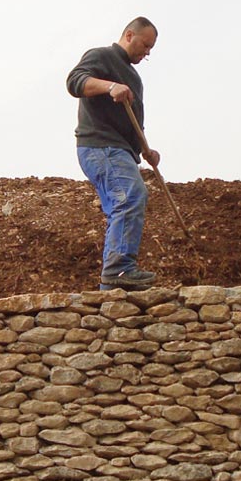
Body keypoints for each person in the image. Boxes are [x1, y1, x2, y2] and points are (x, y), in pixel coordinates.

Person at [66, 17, 162, 290]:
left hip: (120, 150)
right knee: (131, 195)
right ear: (130, 35)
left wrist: (145, 149)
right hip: (101, 146)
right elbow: (75, 81)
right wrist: (109, 86)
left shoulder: (134, 78)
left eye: (151, 48)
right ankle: (119, 270)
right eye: (145, 45)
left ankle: (112, 291)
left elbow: (133, 123)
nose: (147, 53)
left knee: (122, 204)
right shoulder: (102, 56)